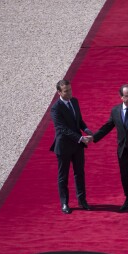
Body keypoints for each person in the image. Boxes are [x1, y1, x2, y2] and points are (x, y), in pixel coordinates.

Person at [91, 84, 128, 216]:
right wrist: (93, 138)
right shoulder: (115, 111)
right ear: (121, 97)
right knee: (124, 176)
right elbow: (107, 126)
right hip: (122, 150)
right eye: (127, 96)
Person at [50, 79, 92, 214]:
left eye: (70, 89)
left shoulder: (74, 101)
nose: (69, 93)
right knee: (63, 176)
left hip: (77, 146)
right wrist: (80, 138)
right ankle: (64, 203)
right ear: (59, 93)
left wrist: (86, 130)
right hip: (63, 147)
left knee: (80, 173)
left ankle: (82, 200)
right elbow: (62, 129)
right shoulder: (55, 108)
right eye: (66, 91)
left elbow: (78, 120)